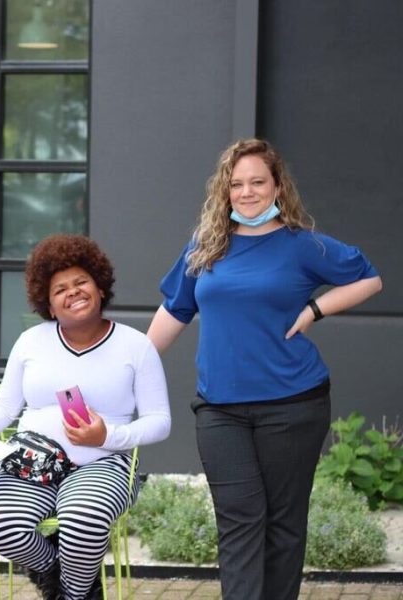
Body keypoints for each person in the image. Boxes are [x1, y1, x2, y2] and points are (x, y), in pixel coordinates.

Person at [147, 138, 383, 600]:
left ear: (277, 187)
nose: (247, 192)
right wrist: (122, 370)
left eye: (257, 182)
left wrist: (314, 309)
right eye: (237, 184)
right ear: (225, 190)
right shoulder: (207, 246)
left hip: (294, 405)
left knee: (283, 523)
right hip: (220, 410)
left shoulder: (301, 245)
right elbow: (174, 312)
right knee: (238, 519)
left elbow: (369, 278)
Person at [0, 234, 171, 600]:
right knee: (0, 523)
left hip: (102, 462)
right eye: (60, 289)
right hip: (32, 462)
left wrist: (107, 436)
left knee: (84, 517)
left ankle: (74, 594)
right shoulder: (31, 341)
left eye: (81, 282)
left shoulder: (135, 346)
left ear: (99, 287)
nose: (73, 292)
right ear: (47, 303)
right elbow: (5, 405)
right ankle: (58, 573)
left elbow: (159, 421)